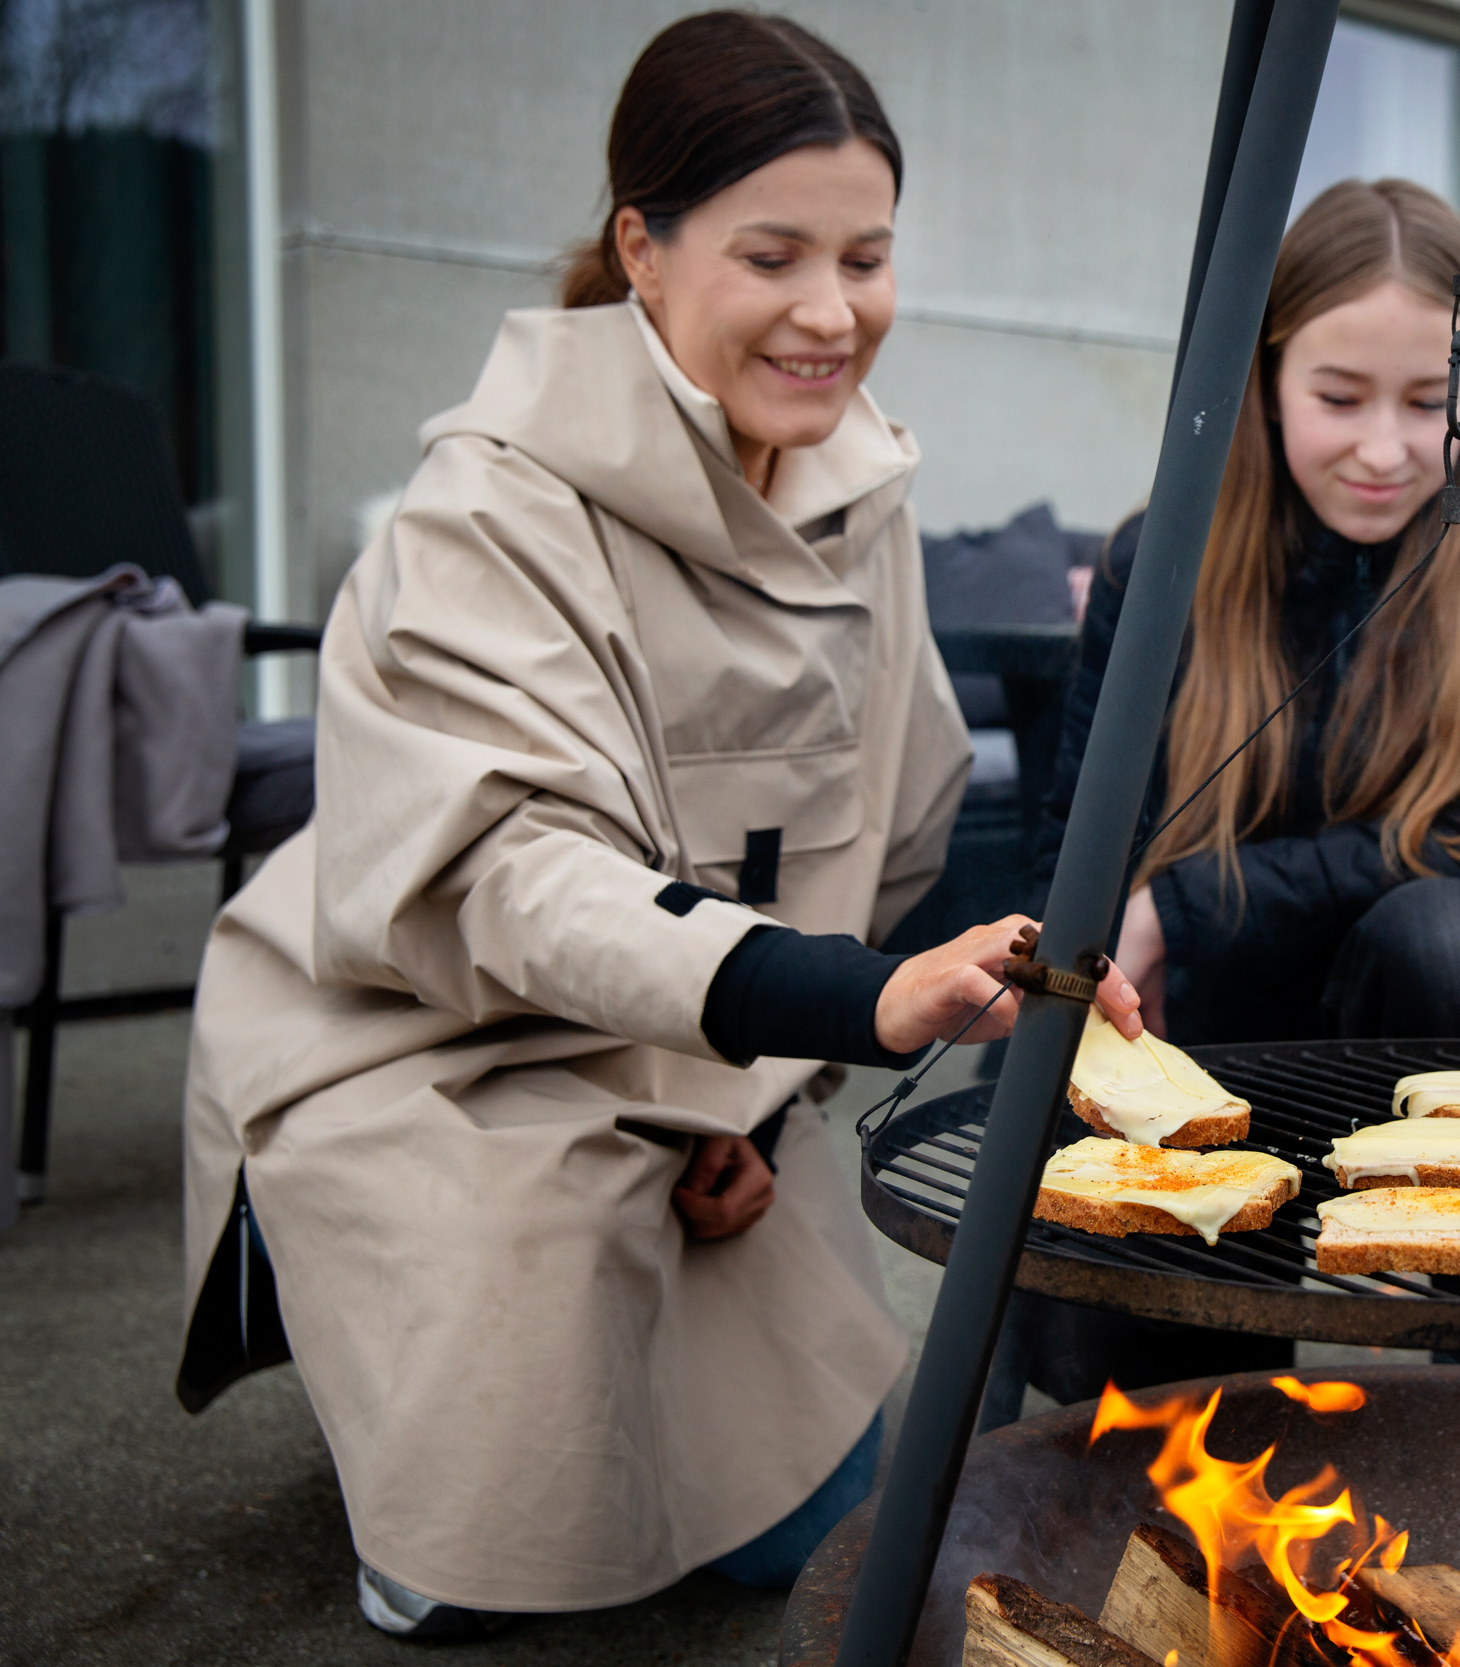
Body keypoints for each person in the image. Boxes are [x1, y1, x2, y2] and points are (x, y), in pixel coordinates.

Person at [176, 13, 1139, 1639]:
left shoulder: (862, 497)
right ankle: (325, 1292)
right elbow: (510, 881)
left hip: (720, 1040)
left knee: (788, 1537)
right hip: (438, 1037)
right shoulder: (488, 509)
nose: (833, 314)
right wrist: (839, 1001)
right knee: (495, 1551)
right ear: (645, 244)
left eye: (868, 257)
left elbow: (878, 837)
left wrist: (761, 1099)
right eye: (773, 256)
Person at [1000, 179, 1460, 1404]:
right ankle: (1210, 1364)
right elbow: (1076, 845)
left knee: (1448, 930)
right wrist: (1114, 945)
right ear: (1264, 378)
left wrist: (1204, 900)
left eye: (1430, 402)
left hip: (1431, 1022)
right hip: (1218, 1026)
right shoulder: (1161, 548)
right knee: (1137, 1400)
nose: (1383, 449)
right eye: (1337, 397)